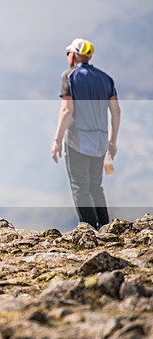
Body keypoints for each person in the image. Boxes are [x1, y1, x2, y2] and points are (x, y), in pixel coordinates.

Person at [51, 38, 121, 229]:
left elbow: (67, 110)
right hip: (100, 143)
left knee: (80, 188)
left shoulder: (70, 77)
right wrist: (112, 142)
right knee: (96, 187)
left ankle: (89, 230)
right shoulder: (106, 79)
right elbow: (116, 111)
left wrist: (57, 140)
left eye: (68, 54)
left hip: (77, 141)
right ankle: (106, 228)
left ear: (73, 55)